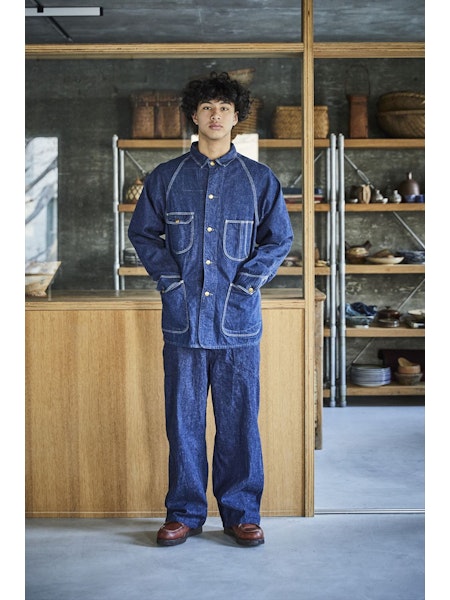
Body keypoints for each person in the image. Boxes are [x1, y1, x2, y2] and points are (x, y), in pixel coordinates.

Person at [128, 71, 293, 547]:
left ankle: (241, 513)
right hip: (183, 324)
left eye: (224, 107)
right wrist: (171, 281)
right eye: (206, 108)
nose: (215, 115)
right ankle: (184, 513)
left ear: (237, 117)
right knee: (183, 423)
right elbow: (143, 234)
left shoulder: (259, 180)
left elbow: (279, 240)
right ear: (194, 116)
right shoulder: (166, 178)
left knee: (239, 422)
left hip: (238, 326)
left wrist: (245, 284)